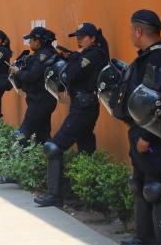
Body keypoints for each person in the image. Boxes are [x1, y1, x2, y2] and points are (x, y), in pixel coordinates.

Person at [111, 10, 161, 245]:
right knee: (140, 183)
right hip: (138, 130)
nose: (130, 35)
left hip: (151, 134)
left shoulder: (158, 59)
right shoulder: (146, 58)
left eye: (131, 30)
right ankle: (143, 236)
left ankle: (160, 239)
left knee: (155, 186)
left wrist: (147, 135)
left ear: (139, 31)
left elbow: (159, 99)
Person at [34, 22, 109, 207]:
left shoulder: (93, 54)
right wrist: (73, 56)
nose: (79, 40)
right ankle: (89, 199)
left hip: (84, 107)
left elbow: (69, 76)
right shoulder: (86, 54)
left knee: (54, 147)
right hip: (82, 104)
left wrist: (73, 59)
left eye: (82, 37)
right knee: (85, 148)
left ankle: (54, 195)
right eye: (77, 37)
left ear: (92, 38)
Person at [10, 27, 58, 144]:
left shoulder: (43, 55)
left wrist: (18, 71)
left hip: (40, 100)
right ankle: (49, 159)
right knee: (42, 135)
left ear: (37, 41)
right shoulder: (44, 53)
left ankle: (13, 159)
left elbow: (32, 75)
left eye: (30, 40)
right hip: (42, 98)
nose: (29, 43)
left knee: (23, 132)